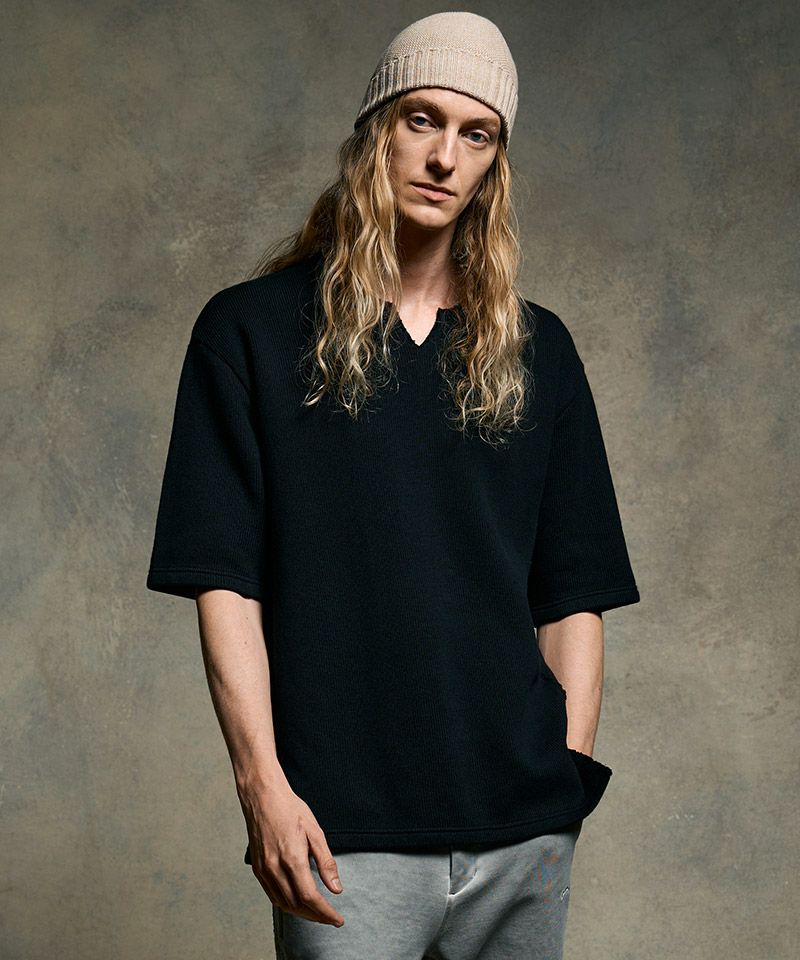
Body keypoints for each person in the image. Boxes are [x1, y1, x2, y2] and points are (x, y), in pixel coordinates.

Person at [146, 11, 640, 959]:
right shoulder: (247, 334)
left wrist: (566, 779)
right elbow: (225, 585)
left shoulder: (541, 350)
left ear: (494, 164)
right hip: (341, 834)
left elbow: (573, 591)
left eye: (476, 134)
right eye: (423, 119)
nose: (445, 156)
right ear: (377, 130)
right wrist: (262, 788)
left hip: (523, 835)